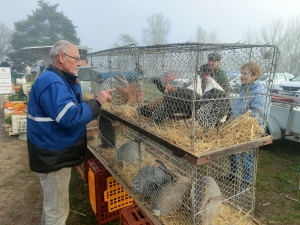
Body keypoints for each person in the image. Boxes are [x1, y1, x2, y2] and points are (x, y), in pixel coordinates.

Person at [27, 40, 115, 225]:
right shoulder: (52, 83)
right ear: (61, 57)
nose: (80, 63)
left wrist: (75, 84)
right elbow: (71, 117)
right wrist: (97, 102)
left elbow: (69, 106)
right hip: (53, 156)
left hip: (50, 151)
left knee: (52, 206)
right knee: (57, 212)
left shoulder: (54, 79)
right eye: (76, 58)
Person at [223, 62, 270, 193]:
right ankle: (233, 174)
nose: (241, 76)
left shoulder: (259, 92)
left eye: (245, 73)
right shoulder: (246, 88)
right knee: (232, 151)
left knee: (246, 156)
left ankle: (246, 182)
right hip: (237, 128)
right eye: (241, 73)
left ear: (255, 75)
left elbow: (258, 116)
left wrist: (245, 129)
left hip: (249, 131)